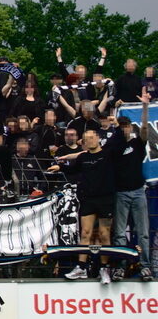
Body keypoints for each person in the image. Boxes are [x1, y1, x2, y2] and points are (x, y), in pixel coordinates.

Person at [50, 127, 127, 283]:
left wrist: (117, 122)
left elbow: (121, 139)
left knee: (104, 234)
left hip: (105, 199)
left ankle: (104, 269)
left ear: (98, 138)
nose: (89, 141)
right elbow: (72, 168)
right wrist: (60, 166)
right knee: (85, 233)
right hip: (88, 199)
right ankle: (81, 267)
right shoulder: (83, 158)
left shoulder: (108, 154)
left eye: (91, 137)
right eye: (86, 138)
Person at [110, 91, 152, 281]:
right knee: (119, 233)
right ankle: (120, 266)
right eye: (122, 126)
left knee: (142, 233)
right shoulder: (115, 146)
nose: (125, 129)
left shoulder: (137, 143)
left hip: (138, 191)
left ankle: (145, 266)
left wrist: (144, 106)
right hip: (121, 193)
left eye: (127, 126)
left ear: (130, 127)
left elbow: (144, 128)